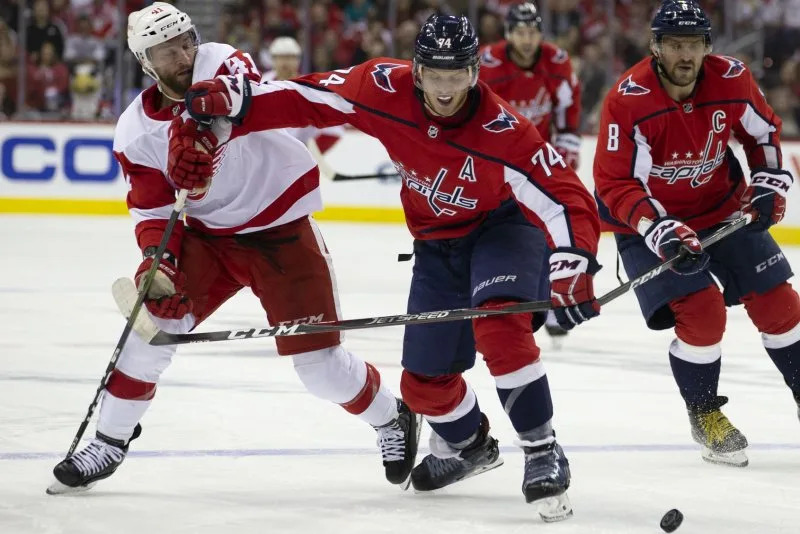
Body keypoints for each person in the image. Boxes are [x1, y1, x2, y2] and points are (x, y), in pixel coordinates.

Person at [181, 14, 601, 521]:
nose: (446, 90)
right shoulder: (381, 86)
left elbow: (563, 195)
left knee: (499, 324)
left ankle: (542, 449)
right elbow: (310, 97)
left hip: (503, 230)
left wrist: (573, 260)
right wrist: (238, 102)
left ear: (475, 73)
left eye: (457, 75)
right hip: (436, 244)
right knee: (421, 386)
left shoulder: (503, 129)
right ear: (417, 69)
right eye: (435, 74)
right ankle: (469, 446)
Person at [47, 3, 420, 495]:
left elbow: (237, 93)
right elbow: (154, 210)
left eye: (186, 42)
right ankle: (109, 441)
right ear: (145, 61)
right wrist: (157, 263)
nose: (183, 55)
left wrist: (204, 133)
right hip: (206, 240)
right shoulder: (135, 131)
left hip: (280, 230)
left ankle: (392, 418)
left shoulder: (220, 61)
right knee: (149, 327)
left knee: (321, 369)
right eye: (166, 50)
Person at [593, 0, 800, 468]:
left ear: (707, 46)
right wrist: (658, 228)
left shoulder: (731, 78)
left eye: (693, 44)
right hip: (648, 223)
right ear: (655, 46)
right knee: (703, 312)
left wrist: (767, 182)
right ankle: (704, 413)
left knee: (780, 304)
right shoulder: (628, 99)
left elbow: (763, 133)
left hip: (721, 208)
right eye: (673, 44)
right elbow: (614, 183)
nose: (684, 55)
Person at [479, 1, 582, 341]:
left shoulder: (557, 62)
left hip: (538, 159)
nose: (526, 39)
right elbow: (476, 111)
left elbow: (568, 107)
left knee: (550, 228)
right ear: (508, 34)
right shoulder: (490, 64)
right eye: (520, 32)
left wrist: (567, 146)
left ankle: (552, 303)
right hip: (500, 161)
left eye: (532, 32)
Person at [262, 36, 343, 154]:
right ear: (273, 59)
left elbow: (335, 132)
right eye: (280, 57)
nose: (284, 62)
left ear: (297, 60)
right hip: (266, 153)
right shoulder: (261, 83)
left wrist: (307, 154)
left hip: (294, 156)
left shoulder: (309, 88)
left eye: (289, 57)